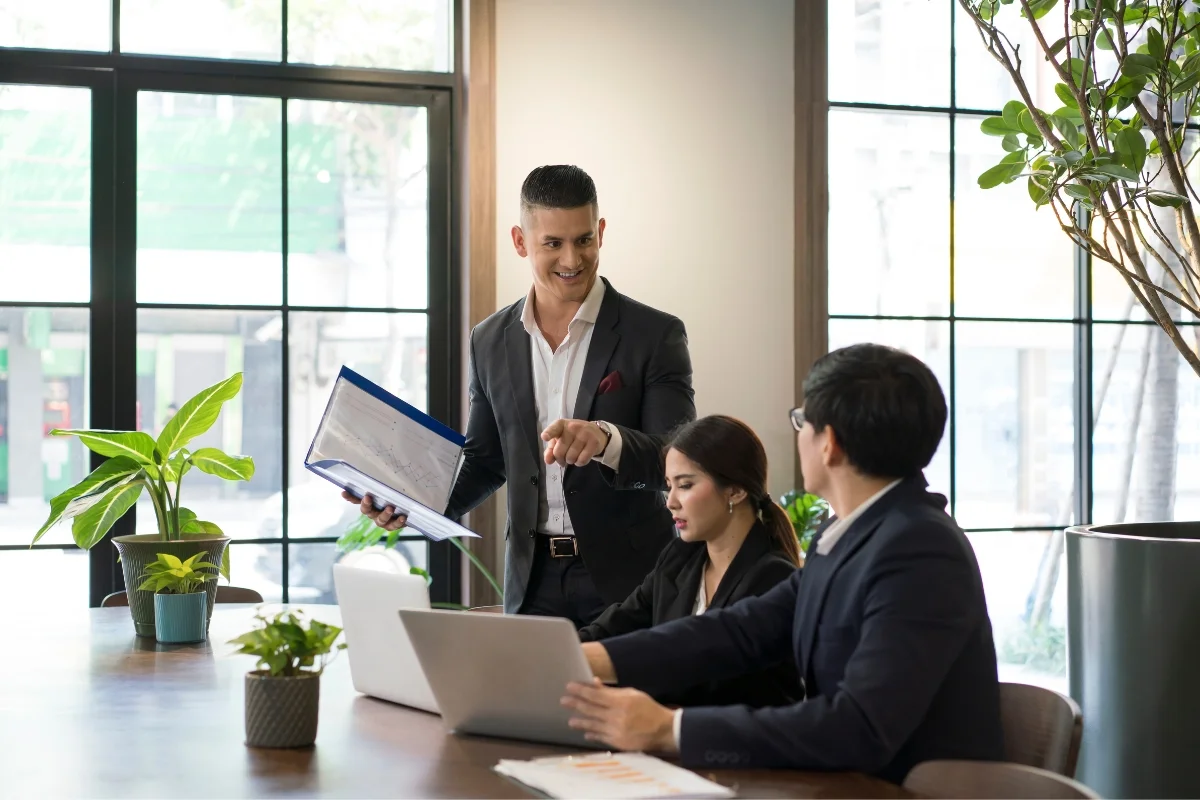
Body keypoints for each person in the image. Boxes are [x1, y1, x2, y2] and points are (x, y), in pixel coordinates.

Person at [560, 343, 1004, 784]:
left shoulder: (919, 549)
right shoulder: (852, 533)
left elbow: (860, 727)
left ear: (828, 443)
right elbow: (741, 629)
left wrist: (668, 728)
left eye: (801, 420)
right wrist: (591, 657)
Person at [347, 164, 696, 626]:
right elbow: (486, 460)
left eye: (584, 239)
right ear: (520, 241)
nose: (571, 259)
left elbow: (677, 460)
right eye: (552, 243)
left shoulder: (655, 334)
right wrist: (410, 503)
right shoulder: (489, 339)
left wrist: (606, 441)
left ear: (601, 232)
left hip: (629, 582)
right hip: (531, 583)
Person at [578, 415, 802, 710]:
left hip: (731, 746)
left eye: (685, 485)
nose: (670, 501)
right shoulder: (679, 558)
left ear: (735, 490)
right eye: (669, 485)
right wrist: (559, 653)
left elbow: (703, 675)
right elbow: (615, 626)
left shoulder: (773, 576)